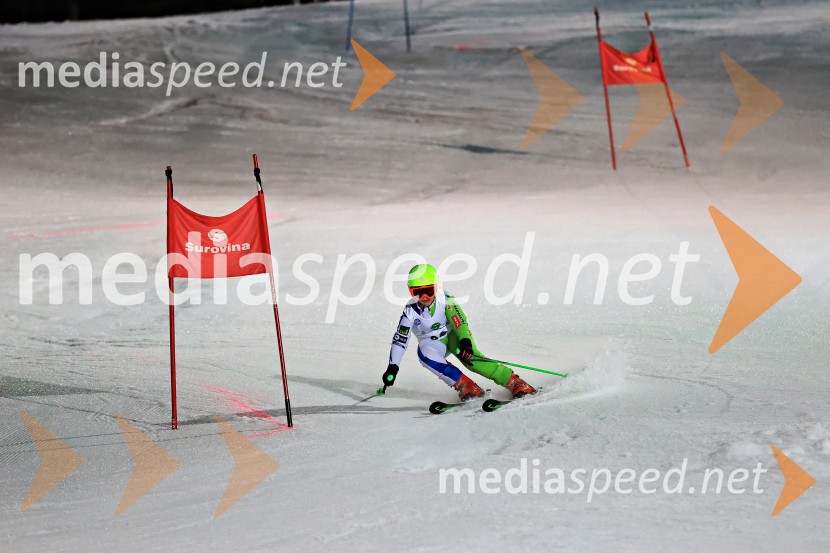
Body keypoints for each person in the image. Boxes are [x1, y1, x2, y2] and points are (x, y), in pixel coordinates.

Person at [382, 264, 535, 401]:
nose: (424, 297)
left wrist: (465, 341)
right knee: (425, 355)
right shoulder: (410, 311)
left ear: (436, 287)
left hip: (453, 336)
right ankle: (467, 386)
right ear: (411, 292)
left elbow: (460, 324)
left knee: (471, 359)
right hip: (432, 343)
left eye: (429, 291)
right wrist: (393, 366)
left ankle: (515, 382)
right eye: (418, 293)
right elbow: (401, 340)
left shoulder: (445, 300)